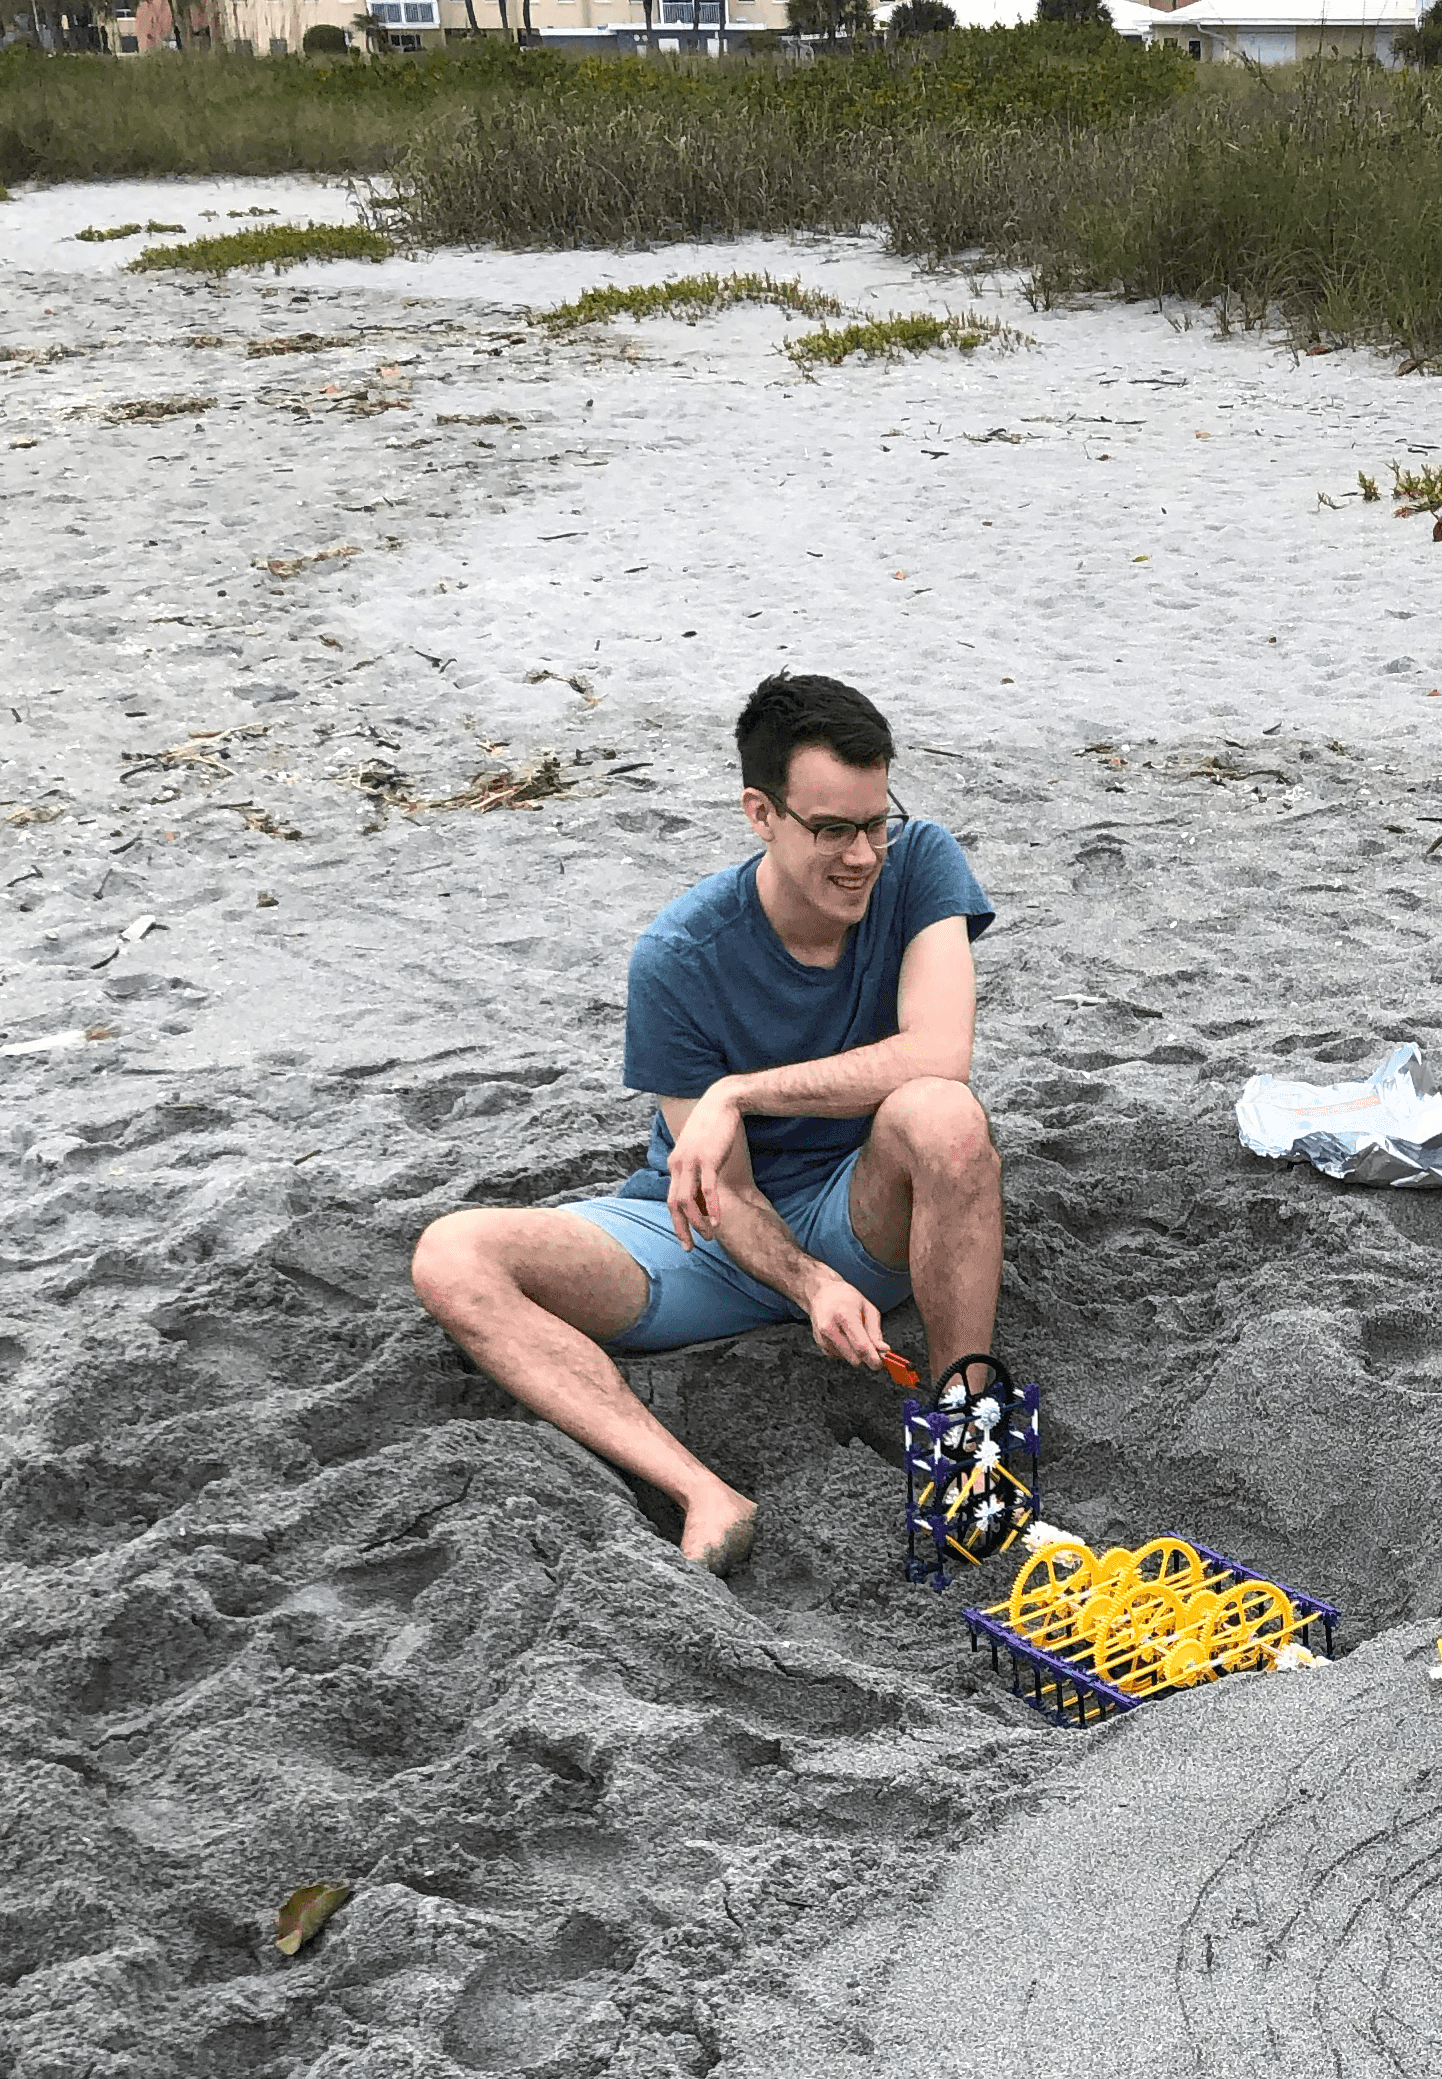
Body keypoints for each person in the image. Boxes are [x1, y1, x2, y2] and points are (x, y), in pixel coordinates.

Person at [411, 672, 1005, 1577]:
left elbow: (939, 1053)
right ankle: (700, 1490)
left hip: (869, 1215)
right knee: (455, 1255)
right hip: (703, 1239)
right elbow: (720, 1193)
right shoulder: (678, 957)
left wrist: (739, 1094)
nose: (862, 855)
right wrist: (808, 1287)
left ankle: (968, 1427)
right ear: (760, 814)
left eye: (874, 822)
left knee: (945, 1114)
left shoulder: (920, 863)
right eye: (831, 829)